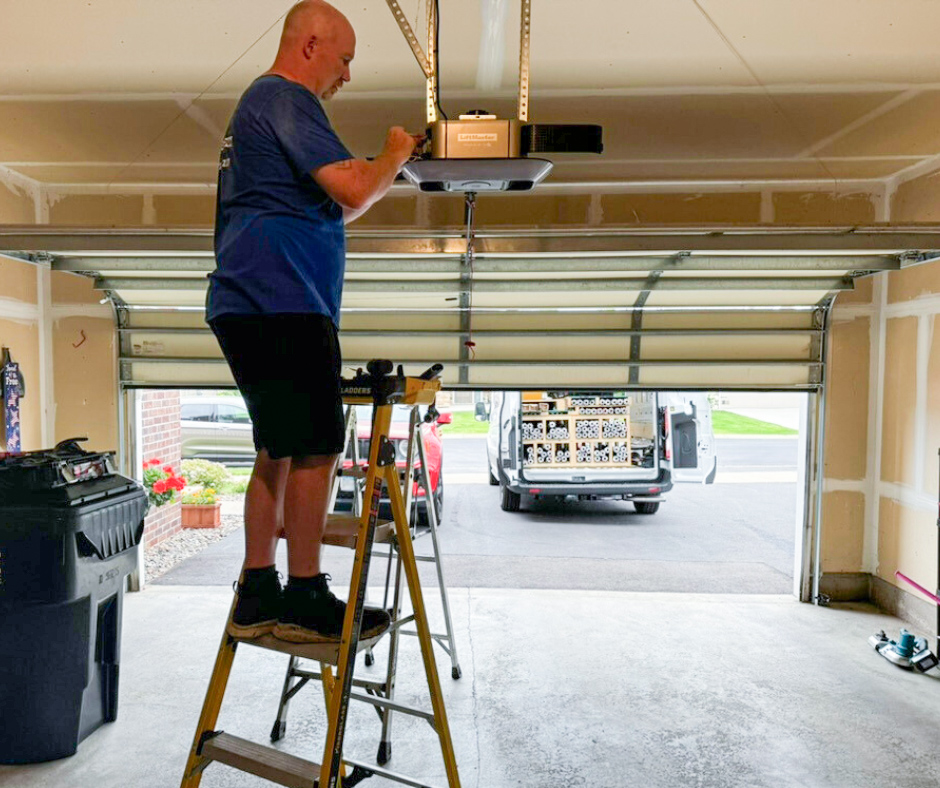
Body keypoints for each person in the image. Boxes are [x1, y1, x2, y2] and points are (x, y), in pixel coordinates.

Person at [206, 0, 422, 644]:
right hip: (283, 300)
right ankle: (304, 592)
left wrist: (379, 173)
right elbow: (356, 189)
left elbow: (337, 206)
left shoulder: (258, 109)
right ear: (310, 46)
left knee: (275, 447)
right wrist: (393, 154)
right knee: (317, 448)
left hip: (251, 301)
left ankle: (257, 589)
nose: (347, 75)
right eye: (345, 59)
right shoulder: (285, 98)